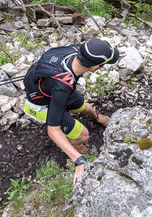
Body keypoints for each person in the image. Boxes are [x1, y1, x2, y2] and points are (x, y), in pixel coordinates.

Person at [23, 38, 120, 185]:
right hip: (41, 104)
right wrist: (78, 160)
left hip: (54, 88)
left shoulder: (75, 50)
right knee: (83, 135)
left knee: (86, 107)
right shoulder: (63, 86)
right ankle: (74, 146)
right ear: (94, 68)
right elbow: (52, 130)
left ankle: (97, 118)